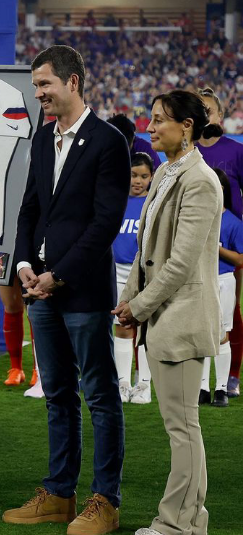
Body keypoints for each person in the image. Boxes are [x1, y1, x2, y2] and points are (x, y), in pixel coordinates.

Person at [4, 45, 130, 535]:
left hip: (82, 291)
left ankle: (106, 501)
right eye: (36, 85)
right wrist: (24, 264)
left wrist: (59, 274)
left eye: (44, 84)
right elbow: (29, 209)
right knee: (57, 394)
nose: (38, 93)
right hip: (40, 289)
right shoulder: (42, 138)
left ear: (72, 82)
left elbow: (105, 224)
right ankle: (59, 494)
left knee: (99, 395)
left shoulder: (108, 141)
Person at [114, 90, 222, 535]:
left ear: (187, 127)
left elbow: (179, 263)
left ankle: (174, 527)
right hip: (163, 314)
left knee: (183, 428)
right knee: (182, 425)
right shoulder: (165, 171)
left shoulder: (201, 181)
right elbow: (146, 253)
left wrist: (138, 307)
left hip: (182, 316)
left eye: (160, 120)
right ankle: (191, 526)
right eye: (152, 118)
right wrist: (128, 298)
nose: (151, 127)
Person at [197, 87, 243, 399]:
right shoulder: (187, 151)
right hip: (194, 241)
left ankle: (231, 376)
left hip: (229, 241)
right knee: (196, 310)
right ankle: (200, 381)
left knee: (230, 311)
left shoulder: (236, 151)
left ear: (220, 115)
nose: (204, 117)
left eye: (209, 111)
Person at [112, 152, 154, 404]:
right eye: (133, 175)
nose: (138, 181)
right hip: (117, 272)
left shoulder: (154, 203)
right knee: (122, 325)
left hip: (146, 274)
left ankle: (144, 384)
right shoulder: (115, 201)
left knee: (145, 327)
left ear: (151, 177)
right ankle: (123, 383)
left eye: (144, 176)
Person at [199, 167, 243, 407]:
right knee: (202, 333)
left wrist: (216, 248)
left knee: (222, 334)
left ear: (221, 190)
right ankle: (203, 388)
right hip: (199, 279)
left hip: (224, 279)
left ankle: (221, 389)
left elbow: (240, 259)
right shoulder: (195, 218)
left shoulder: (233, 222)